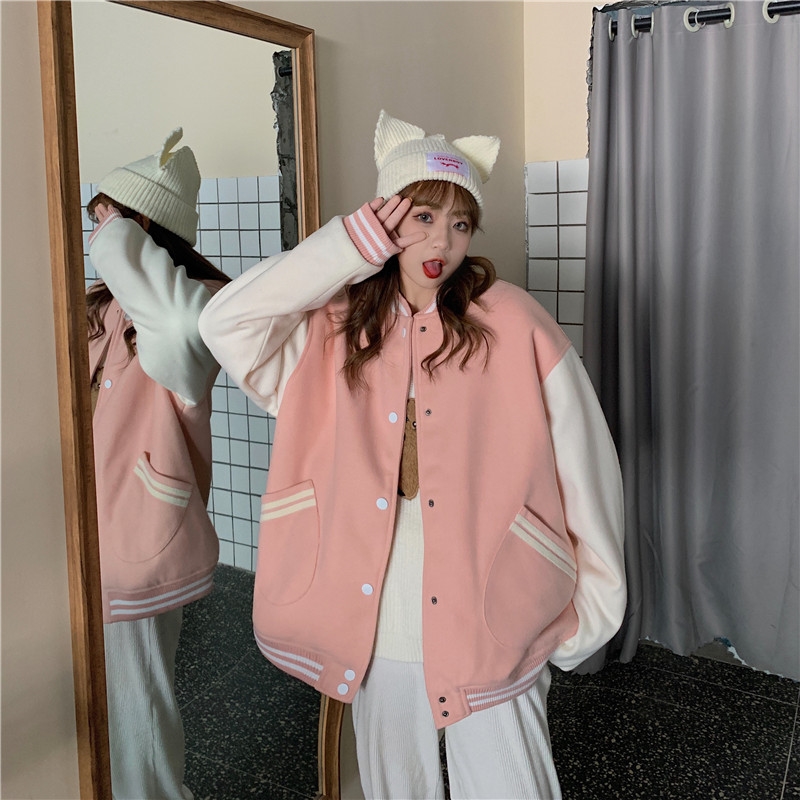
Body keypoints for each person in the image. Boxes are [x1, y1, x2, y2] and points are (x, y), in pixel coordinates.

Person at [198, 110, 625, 799]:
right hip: (375, 609)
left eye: (460, 224)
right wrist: (348, 245)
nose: (442, 242)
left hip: (493, 605)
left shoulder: (515, 322)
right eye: (422, 217)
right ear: (386, 217)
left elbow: (586, 466)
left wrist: (591, 617)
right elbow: (223, 321)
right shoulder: (330, 328)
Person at [87, 127, 230, 799]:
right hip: (87, 527)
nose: (96, 231)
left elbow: (171, 329)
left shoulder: (200, 306)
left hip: (142, 531)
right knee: (98, 704)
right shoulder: (102, 306)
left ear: (139, 227)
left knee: (137, 711)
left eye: (106, 216)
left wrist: (118, 232)